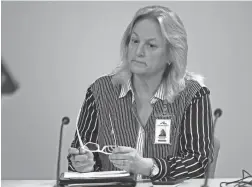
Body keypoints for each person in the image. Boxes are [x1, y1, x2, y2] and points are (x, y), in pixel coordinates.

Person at [67, 5, 214, 182]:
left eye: (151, 45)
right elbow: (80, 153)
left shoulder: (193, 94)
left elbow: (197, 162)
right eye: (135, 41)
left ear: (171, 54)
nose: (138, 52)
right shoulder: (100, 91)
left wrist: (147, 166)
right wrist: (84, 164)